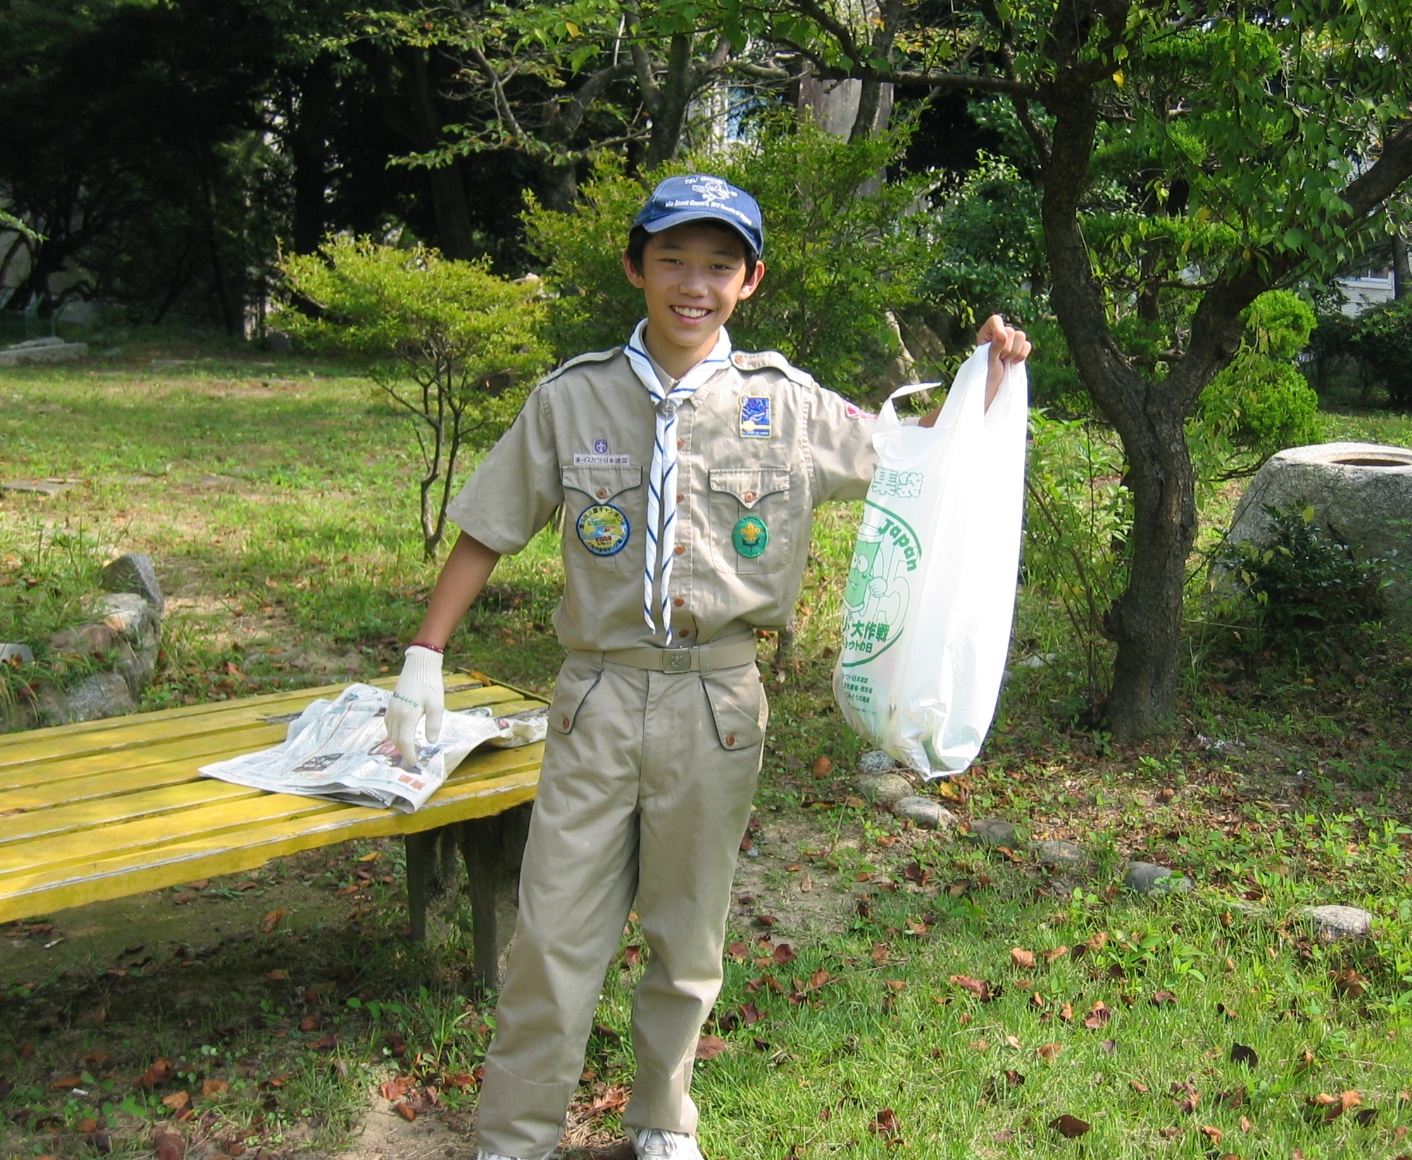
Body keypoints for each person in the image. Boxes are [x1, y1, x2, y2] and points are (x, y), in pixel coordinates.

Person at [384, 174, 1030, 1160]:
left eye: (719, 266)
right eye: (674, 260)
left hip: (718, 702)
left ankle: (660, 1119)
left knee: (687, 937)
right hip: (596, 698)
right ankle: (514, 1136)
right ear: (636, 266)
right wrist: (423, 653)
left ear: (749, 280)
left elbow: (916, 460)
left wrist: (987, 376)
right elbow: (488, 525)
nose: (694, 284)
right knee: (554, 936)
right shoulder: (573, 398)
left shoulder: (787, 405)